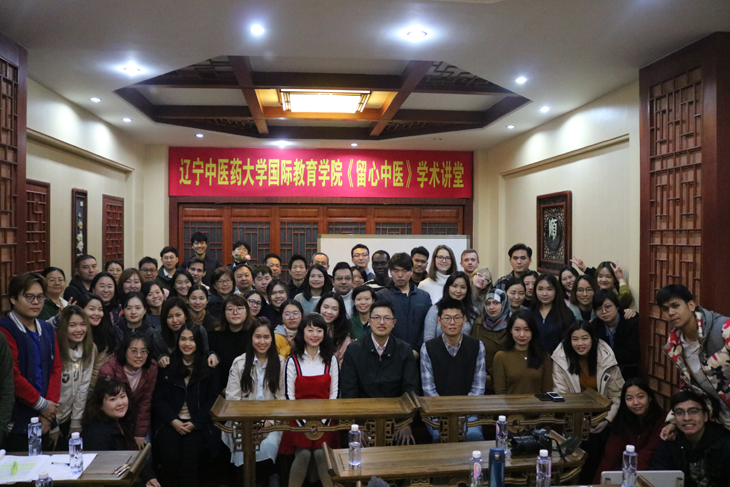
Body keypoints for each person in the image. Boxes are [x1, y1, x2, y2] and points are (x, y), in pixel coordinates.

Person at [551, 321, 624, 483]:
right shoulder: (561, 358)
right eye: (575, 339)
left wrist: (606, 420)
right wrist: (580, 420)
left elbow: (617, 395)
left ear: (593, 338)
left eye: (585, 338)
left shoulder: (606, 356)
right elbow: (561, 394)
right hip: (572, 416)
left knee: (599, 447)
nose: (580, 343)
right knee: (578, 448)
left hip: (602, 415)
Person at [340, 300, 418, 443]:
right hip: (363, 417)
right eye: (376, 317)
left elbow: (410, 389)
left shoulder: (404, 349)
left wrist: (405, 423)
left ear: (394, 322)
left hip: (396, 417)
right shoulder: (354, 350)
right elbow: (349, 391)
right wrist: (358, 426)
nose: (381, 322)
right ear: (369, 321)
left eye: (387, 318)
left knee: (406, 442)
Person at [0, 273, 62, 452]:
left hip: (46, 418)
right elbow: (12, 375)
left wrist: (49, 410)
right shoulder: (5, 330)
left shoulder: (47, 328)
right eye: (29, 297)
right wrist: (42, 405)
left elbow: (56, 368)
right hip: (16, 421)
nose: (36, 302)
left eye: (40, 297)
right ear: (13, 299)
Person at [152, 324, 220, 487]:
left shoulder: (209, 367)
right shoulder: (167, 366)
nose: (187, 344)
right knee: (170, 458)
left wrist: (196, 422)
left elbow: (213, 400)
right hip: (171, 423)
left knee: (191, 461)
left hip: (198, 423)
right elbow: (158, 399)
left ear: (199, 342)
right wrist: (174, 421)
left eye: (192, 339)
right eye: (183, 339)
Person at [656, 284, 730, 430]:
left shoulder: (724, 329)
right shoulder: (674, 345)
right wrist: (674, 421)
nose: (671, 312)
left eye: (675, 306)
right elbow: (690, 387)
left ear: (691, 305)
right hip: (720, 420)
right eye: (665, 309)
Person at [280, 313, 338, 487]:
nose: (315, 335)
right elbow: (289, 396)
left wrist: (322, 423)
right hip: (298, 419)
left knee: (322, 454)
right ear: (302, 332)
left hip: (326, 418)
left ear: (324, 334)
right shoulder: (293, 360)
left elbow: (334, 395)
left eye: (319, 330)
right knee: (304, 454)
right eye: (310, 330)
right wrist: (305, 423)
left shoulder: (331, 359)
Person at [223, 318, 285, 482]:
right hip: (242, 422)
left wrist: (269, 423)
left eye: (266, 337)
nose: (262, 342)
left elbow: (282, 399)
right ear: (251, 338)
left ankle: (268, 480)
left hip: (271, 421)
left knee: (267, 446)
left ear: (272, 339)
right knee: (244, 450)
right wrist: (249, 424)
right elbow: (232, 400)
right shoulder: (239, 363)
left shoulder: (280, 363)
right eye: (258, 337)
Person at [420, 298, 486, 442]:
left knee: (473, 436)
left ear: (464, 319)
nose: (452, 322)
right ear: (439, 320)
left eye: (457, 318)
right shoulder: (428, 348)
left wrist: (462, 413)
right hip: (437, 411)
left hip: (469, 411)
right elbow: (428, 389)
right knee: (441, 436)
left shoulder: (477, 346)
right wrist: (448, 413)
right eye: (447, 318)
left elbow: (478, 387)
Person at [82, 377, 160, 487]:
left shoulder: (123, 422)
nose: (120, 403)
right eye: (113, 399)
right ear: (100, 405)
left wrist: (148, 477)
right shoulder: (96, 434)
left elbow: (134, 456)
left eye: (123, 397)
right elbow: (105, 476)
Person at [651, 389, 730, 487]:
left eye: (693, 412)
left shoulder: (725, 444)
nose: (687, 418)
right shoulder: (670, 439)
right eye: (680, 413)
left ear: (706, 416)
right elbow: (658, 474)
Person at [594, 378, 664, 483]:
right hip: (627, 471)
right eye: (629, 398)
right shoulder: (623, 419)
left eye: (640, 397)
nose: (635, 402)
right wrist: (598, 483)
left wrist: (621, 478)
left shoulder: (662, 421)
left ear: (649, 398)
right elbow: (610, 456)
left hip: (653, 472)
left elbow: (647, 455)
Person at [98, 332, 158, 448]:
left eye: (144, 351)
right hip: (110, 418)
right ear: (124, 351)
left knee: (145, 446)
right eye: (133, 351)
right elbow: (105, 404)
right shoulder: (108, 370)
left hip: (134, 417)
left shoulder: (151, 368)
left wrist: (139, 434)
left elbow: (145, 402)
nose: (139, 356)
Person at [376, 253, 432, 354]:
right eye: (396, 271)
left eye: (404, 271)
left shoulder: (424, 297)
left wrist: (417, 350)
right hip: (390, 353)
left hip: (419, 353)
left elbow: (427, 326)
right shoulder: (382, 296)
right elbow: (381, 325)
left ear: (411, 271)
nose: (400, 275)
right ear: (390, 272)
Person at [55, 305, 96, 440]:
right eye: (72, 325)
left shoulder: (89, 348)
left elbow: (83, 387)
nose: (79, 330)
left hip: (69, 416)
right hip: (50, 417)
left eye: (83, 324)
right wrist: (52, 424)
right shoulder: (54, 348)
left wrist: (76, 421)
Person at [493, 310, 552, 394]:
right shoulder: (501, 356)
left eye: (526, 330)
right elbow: (500, 392)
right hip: (510, 402)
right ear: (510, 330)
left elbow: (547, 390)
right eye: (517, 329)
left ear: (533, 331)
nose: (522, 335)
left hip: (537, 402)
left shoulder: (544, 356)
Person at [153, 297, 216, 368]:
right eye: (169, 317)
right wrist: (161, 358)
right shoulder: (158, 335)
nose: (175, 320)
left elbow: (206, 353)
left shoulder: (199, 330)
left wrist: (212, 355)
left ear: (185, 315)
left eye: (178, 315)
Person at [78, 292, 122, 391]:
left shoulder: (106, 337)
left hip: (92, 391)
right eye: (92, 309)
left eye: (100, 309)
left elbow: (96, 374)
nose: (97, 313)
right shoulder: (72, 334)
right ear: (80, 310)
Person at [591, 290, 639, 380]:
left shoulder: (630, 321)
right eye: (599, 309)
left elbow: (632, 355)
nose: (604, 311)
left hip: (629, 371)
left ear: (617, 306)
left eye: (608, 307)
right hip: (603, 371)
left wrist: (606, 354)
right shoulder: (594, 325)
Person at [208, 295, 254, 384]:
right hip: (221, 385)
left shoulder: (254, 334)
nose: (235, 312)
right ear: (224, 313)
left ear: (247, 311)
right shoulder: (214, 334)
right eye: (230, 309)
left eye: (239, 308)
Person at [470, 288, 510, 391]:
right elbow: (471, 351)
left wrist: (493, 375)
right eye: (488, 303)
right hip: (481, 379)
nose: (491, 307)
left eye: (496, 303)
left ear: (504, 304)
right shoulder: (478, 324)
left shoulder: (512, 325)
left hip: (505, 379)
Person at [423, 271, 478, 341]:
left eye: (463, 287)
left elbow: (475, 340)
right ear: (448, 287)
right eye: (454, 286)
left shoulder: (473, 312)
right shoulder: (435, 310)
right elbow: (428, 338)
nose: (458, 291)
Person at [529, 273, 576, 354]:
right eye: (540, 289)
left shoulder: (566, 314)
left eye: (549, 289)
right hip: (532, 358)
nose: (544, 293)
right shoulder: (529, 313)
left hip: (558, 359)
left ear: (556, 291)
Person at [314, 292, 352, 366]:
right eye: (325, 307)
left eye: (334, 309)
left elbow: (343, 363)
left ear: (339, 312)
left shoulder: (343, 335)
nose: (329, 312)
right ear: (319, 307)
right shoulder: (308, 327)